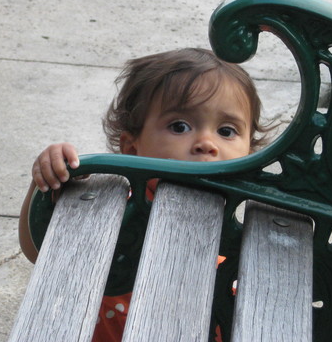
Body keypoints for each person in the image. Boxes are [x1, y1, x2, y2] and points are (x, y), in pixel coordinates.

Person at [19, 47, 269, 342]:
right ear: (132, 147)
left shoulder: (249, 224)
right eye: (180, 126)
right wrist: (46, 183)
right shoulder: (113, 209)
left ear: (249, 154)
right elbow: (38, 250)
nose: (206, 144)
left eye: (226, 131)